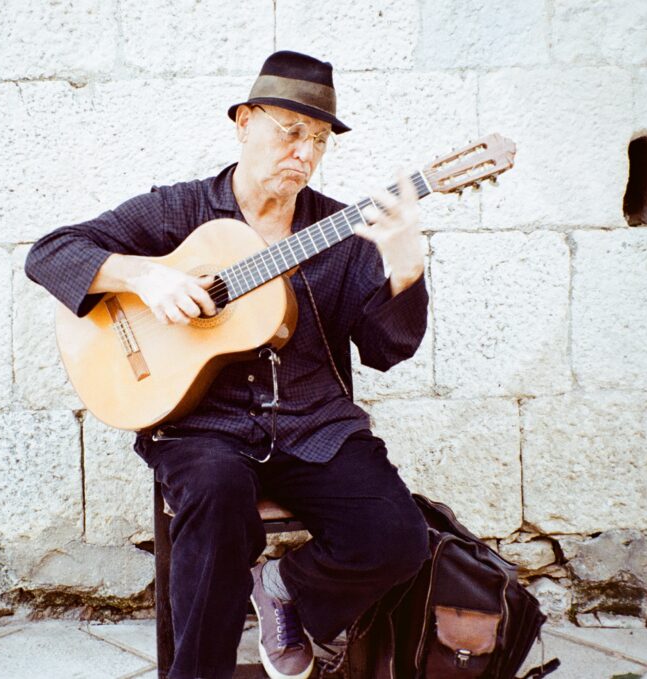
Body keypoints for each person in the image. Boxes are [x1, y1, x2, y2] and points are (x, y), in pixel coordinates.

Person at [26, 50, 431, 679]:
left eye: (319, 141)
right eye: (290, 132)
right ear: (244, 122)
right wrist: (144, 275)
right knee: (215, 500)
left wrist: (406, 269)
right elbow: (51, 253)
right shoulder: (178, 212)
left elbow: (385, 351)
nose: (304, 153)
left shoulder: (338, 231)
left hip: (313, 425)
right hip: (200, 427)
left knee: (397, 538)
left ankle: (286, 590)